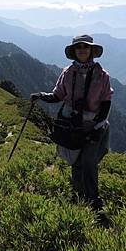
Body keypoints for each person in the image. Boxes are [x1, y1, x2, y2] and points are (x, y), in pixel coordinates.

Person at [31, 34, 113, 212]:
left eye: (86, 47)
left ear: (91, 50)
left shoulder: (102, 75)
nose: (82, 50)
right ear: (74, 51)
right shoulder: (68, 72)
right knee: (76, 161)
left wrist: (98, 126)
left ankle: (93, 201)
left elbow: (106, 102)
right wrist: (41, 96)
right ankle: (78, 196)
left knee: (89, 162)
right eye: (79, 47)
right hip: (72, 126)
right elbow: (58, 95)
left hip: (93, 125)